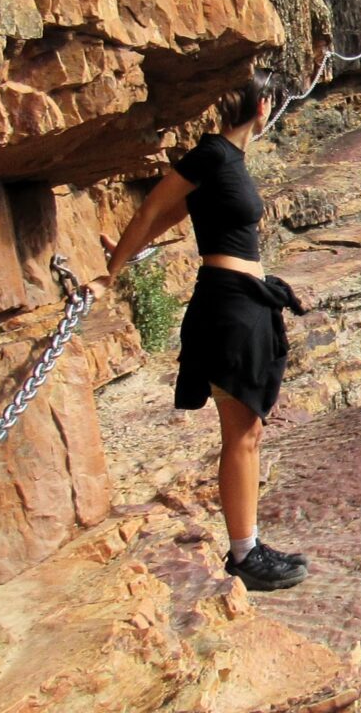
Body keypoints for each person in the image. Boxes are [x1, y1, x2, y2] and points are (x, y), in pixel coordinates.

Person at [102, 72, 310, 592]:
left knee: (250, 431)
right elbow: (152, 206)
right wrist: (111, 273)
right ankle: (244, 554)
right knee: (240, 434)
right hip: (227, 306)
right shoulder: (214, 154)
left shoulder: (230, 162)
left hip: (246, 303)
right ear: (264, 106)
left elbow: (175, 214)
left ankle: (250, 545)